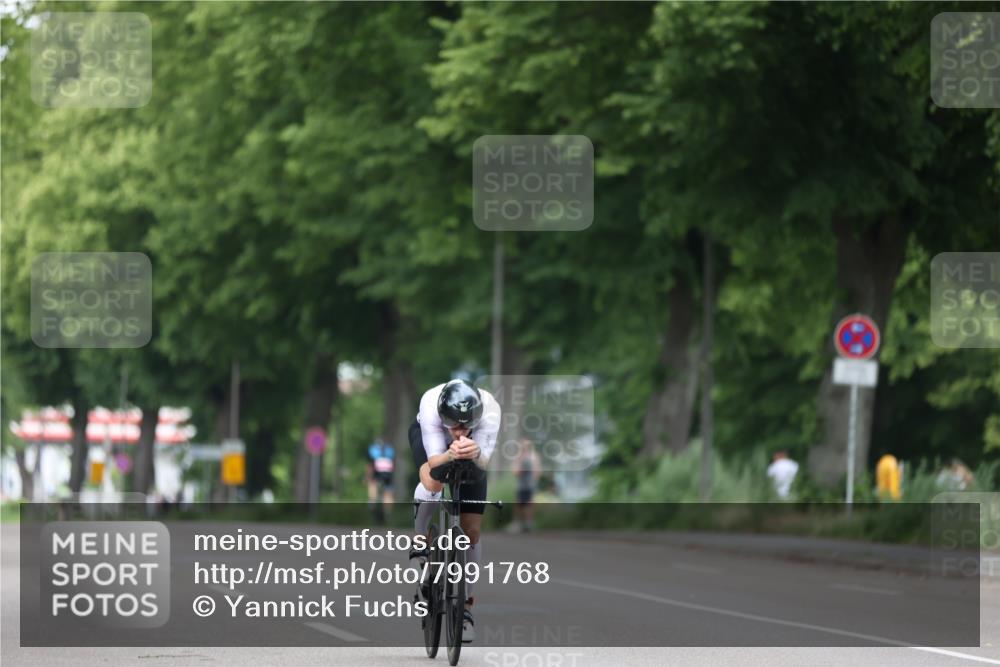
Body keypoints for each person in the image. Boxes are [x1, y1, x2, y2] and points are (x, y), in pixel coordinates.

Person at [408, 379, 500, 643]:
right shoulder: (430, 404)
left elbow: (483, 463)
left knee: (471, 533)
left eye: (465, 426)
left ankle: (466, 608)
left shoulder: (490, 411)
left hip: (473, 452)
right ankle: (419, 538)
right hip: (432, 444)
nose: (459, 432)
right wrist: (450, 455)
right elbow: (434, 462)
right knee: (433, 482)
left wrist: (475, 452)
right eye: (453, 426)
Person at [512, 438, 541, 532]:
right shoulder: (519, 457)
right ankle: (517, 524)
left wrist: (533, 479)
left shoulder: (534, 456)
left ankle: (529, 524)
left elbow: (537, 471)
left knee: (530, 504)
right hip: (521, 485)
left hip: (530, 485)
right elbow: (515, 471)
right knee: (519, 504)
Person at [365, 438, 395, 524]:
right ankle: (388, 511)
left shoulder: (372, 450)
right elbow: (393, 465)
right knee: (388, 491)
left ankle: (372, 502)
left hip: (376, 472)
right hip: (388, 473)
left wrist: (367, 477)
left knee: (372, 484)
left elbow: (370, 466)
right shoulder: (390, 450)